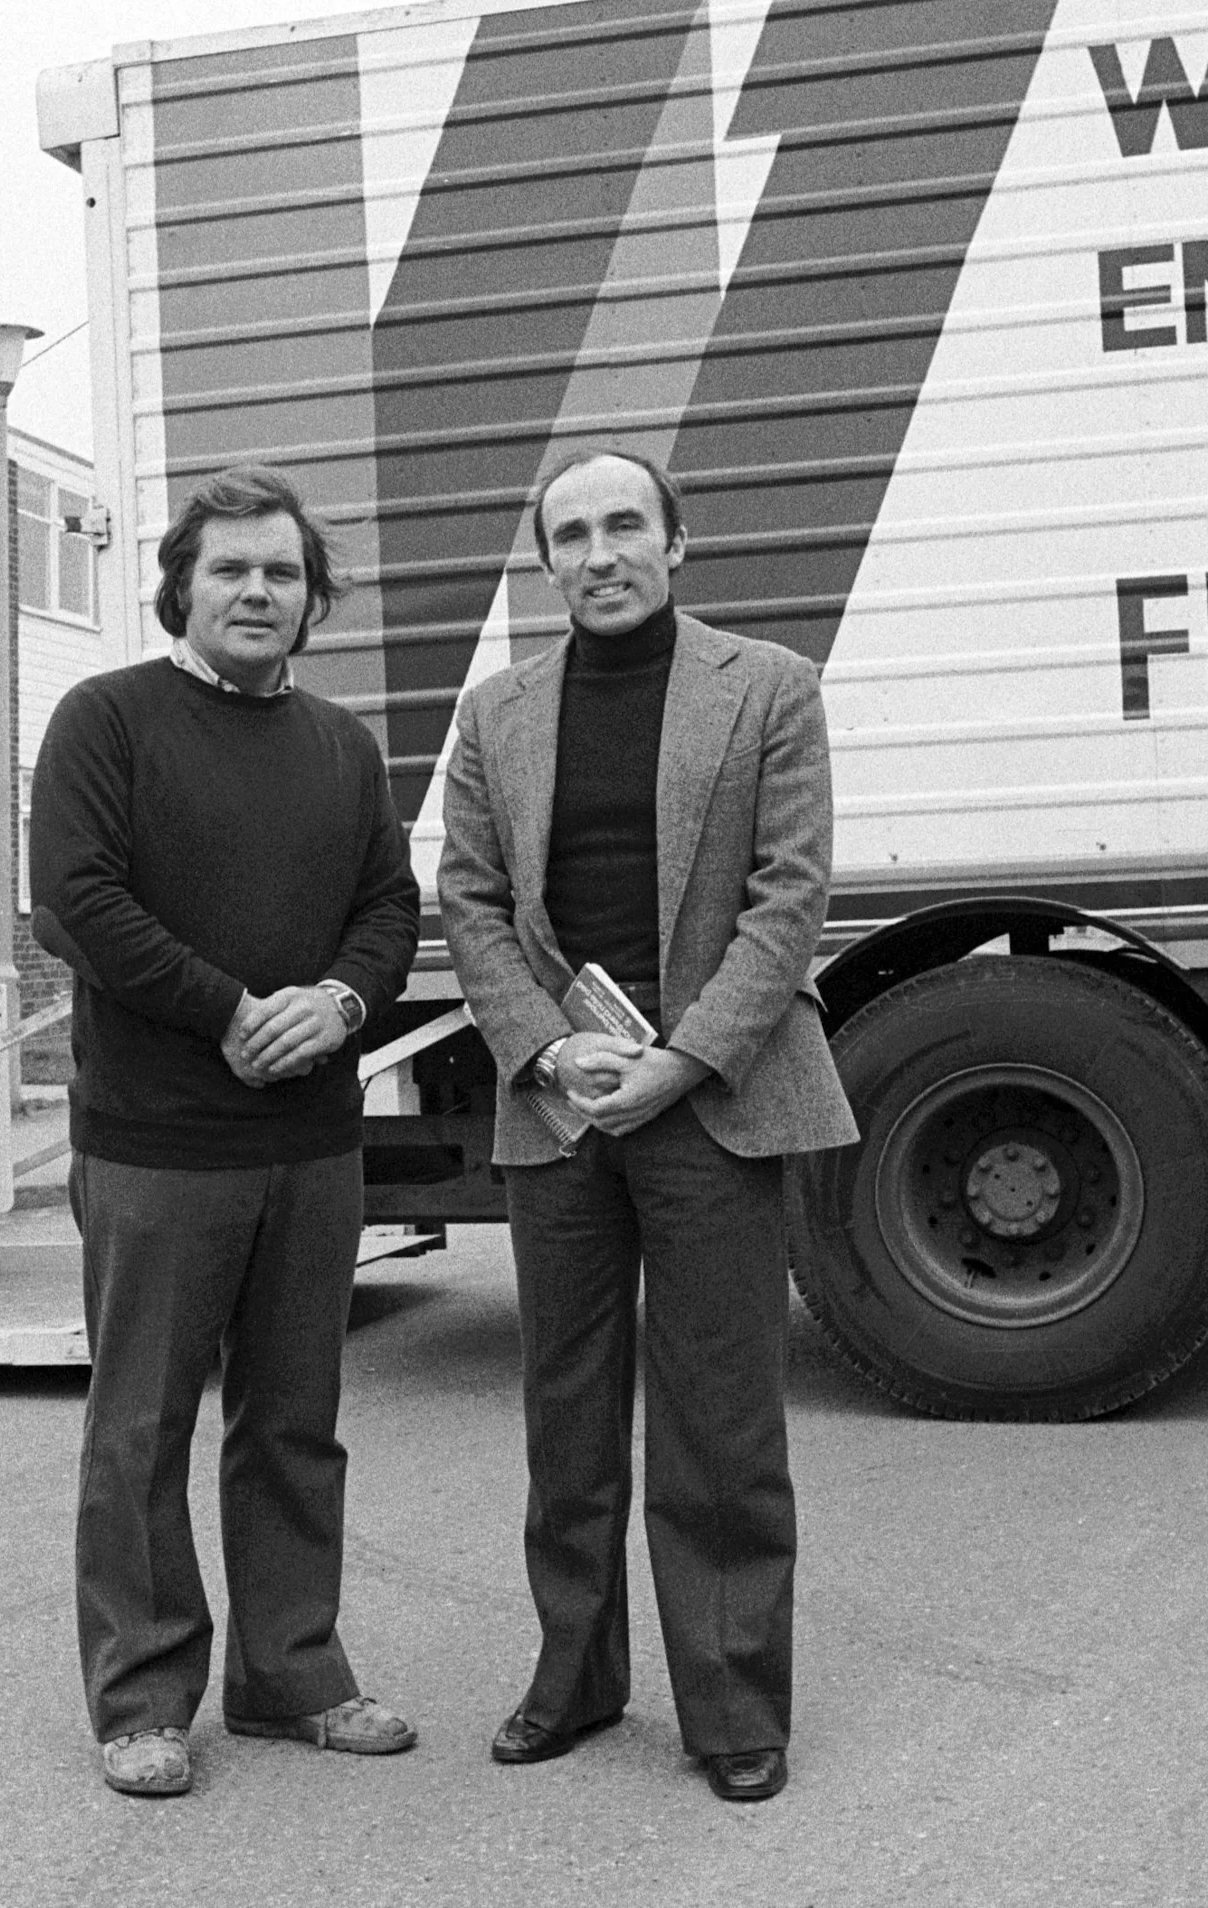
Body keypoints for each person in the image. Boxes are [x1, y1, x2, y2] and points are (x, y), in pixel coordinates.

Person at [435, 448, 856, 1804]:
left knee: (720, 1422)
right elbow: (471, 903)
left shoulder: (769, 690)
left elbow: (790, 902)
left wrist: (679, 1061)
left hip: (713, 1104)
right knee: (565, 1416)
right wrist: (551, 1046)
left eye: (626, 525)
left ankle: (732, 1703)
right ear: (545, 562)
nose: (600, 552)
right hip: (560, 1108)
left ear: (679, 543)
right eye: (571, 533)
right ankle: (575, 1675)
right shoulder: (497, 712)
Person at [30, 464, 424, 1799]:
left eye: (283, 573)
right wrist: (230, 1011)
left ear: (311, 600)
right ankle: (142, 1698)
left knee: (294, 1422)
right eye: (231, 571)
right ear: (180, 591)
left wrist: (340, 999)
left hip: (311, 1147)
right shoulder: (106, 722)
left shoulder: (340, 746)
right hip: (157, 1147)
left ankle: (291, 1674)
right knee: (139, 1430)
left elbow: (390, 904)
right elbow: (77, 901)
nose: (259, 592)